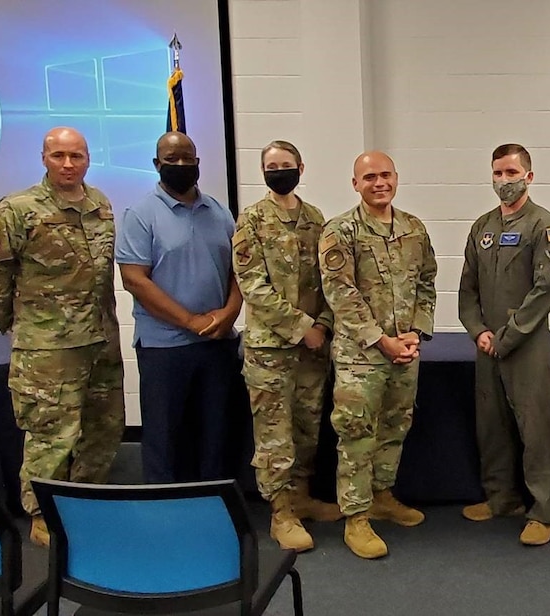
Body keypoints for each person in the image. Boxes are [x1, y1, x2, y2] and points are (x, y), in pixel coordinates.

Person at [0, 127, 124, 547]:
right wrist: (18, 323)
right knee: (51, 435)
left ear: (88, 158)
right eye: (59, 156)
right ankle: (42, 515)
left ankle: (87, 502)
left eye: (76, 156)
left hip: (100, 342)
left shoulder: (100, 205)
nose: (68, 164)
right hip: (48, 351)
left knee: (103, 429)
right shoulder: (17, 210)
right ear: (43, 158)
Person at [319, 151, 438, 559]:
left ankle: (382, 497)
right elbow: (341, 295)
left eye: (385, 175)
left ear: (396, 178)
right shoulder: (340, 231)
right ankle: (356, 518)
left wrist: (416, 333)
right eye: (369, 177)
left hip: (404, 352)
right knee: (356, 435)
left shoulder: (414, 229)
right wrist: (380, 339)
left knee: (395, 426)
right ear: (355, 184)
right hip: (360, 357)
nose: (378, 182)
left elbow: (427, 281)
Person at [232, 140, 343, 553]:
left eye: (286, 164)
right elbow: (253, 286)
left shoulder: (316, 219)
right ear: (263, 172)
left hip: (312, 350)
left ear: (301, 167)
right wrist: (302, 328)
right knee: (275, 436)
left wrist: (325, 325)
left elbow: (331, 281)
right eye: (271, 166)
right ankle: (281, 513)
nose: (280, 171)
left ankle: (300, 497)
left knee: (306, 429)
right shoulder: (252, 220)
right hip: (271, 350)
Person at [116, 131, 243, 484]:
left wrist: (229, 313)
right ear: (157, 165)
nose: (181, 165)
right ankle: (165, 512)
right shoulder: (140, 215)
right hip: (164, 347)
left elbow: (240, 272)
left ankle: (215, 505)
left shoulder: (219, 212)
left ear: (198, 163)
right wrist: (189, 320)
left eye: (188, 158)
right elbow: (135, 280)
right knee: (164, 437)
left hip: (217, 343)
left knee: (216, 434)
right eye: (172, 160)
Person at [457, 143, 550, 546]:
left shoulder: (546, 226)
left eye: (511, 173)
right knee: (492, 426)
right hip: (487, 345)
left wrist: (507, 337)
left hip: (526, 346)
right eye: (498, 173)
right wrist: (477, 330)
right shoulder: (482, 226)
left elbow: (545, 290)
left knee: (535, 429)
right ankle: (501, 498)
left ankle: (543, 512)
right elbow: (467, 288)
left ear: (529, 177)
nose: (504, 180)